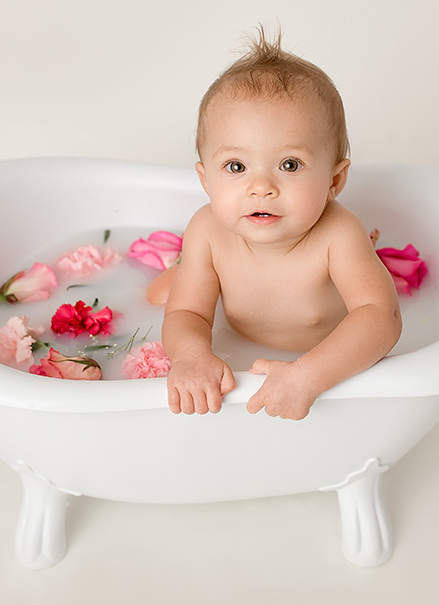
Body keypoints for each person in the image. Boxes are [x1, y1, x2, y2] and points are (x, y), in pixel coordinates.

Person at [163, 28, 402, 420]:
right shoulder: (207, 231)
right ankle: (175, 276)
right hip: (243, 347)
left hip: (325, 362)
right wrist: (191, 356)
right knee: (171, 295)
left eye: (289, 165)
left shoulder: (338, 235)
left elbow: (381, 316)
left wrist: (308, 375)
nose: (261, 187)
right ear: (206, 180)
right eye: (236, 166)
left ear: (334, 182)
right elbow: (187, 315)